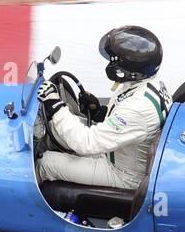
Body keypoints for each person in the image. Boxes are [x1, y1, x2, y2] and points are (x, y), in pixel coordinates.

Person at [36, 25, 170, 189]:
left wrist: (55, 104)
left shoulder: (138, 107)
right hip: (121, 152)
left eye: (114, 60)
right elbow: (126, 123)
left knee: (46, 162)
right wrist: (99, 112)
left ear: (128, 70)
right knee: (55, 129)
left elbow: (86, 143)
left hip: (123, 174)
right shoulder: (148, 84)